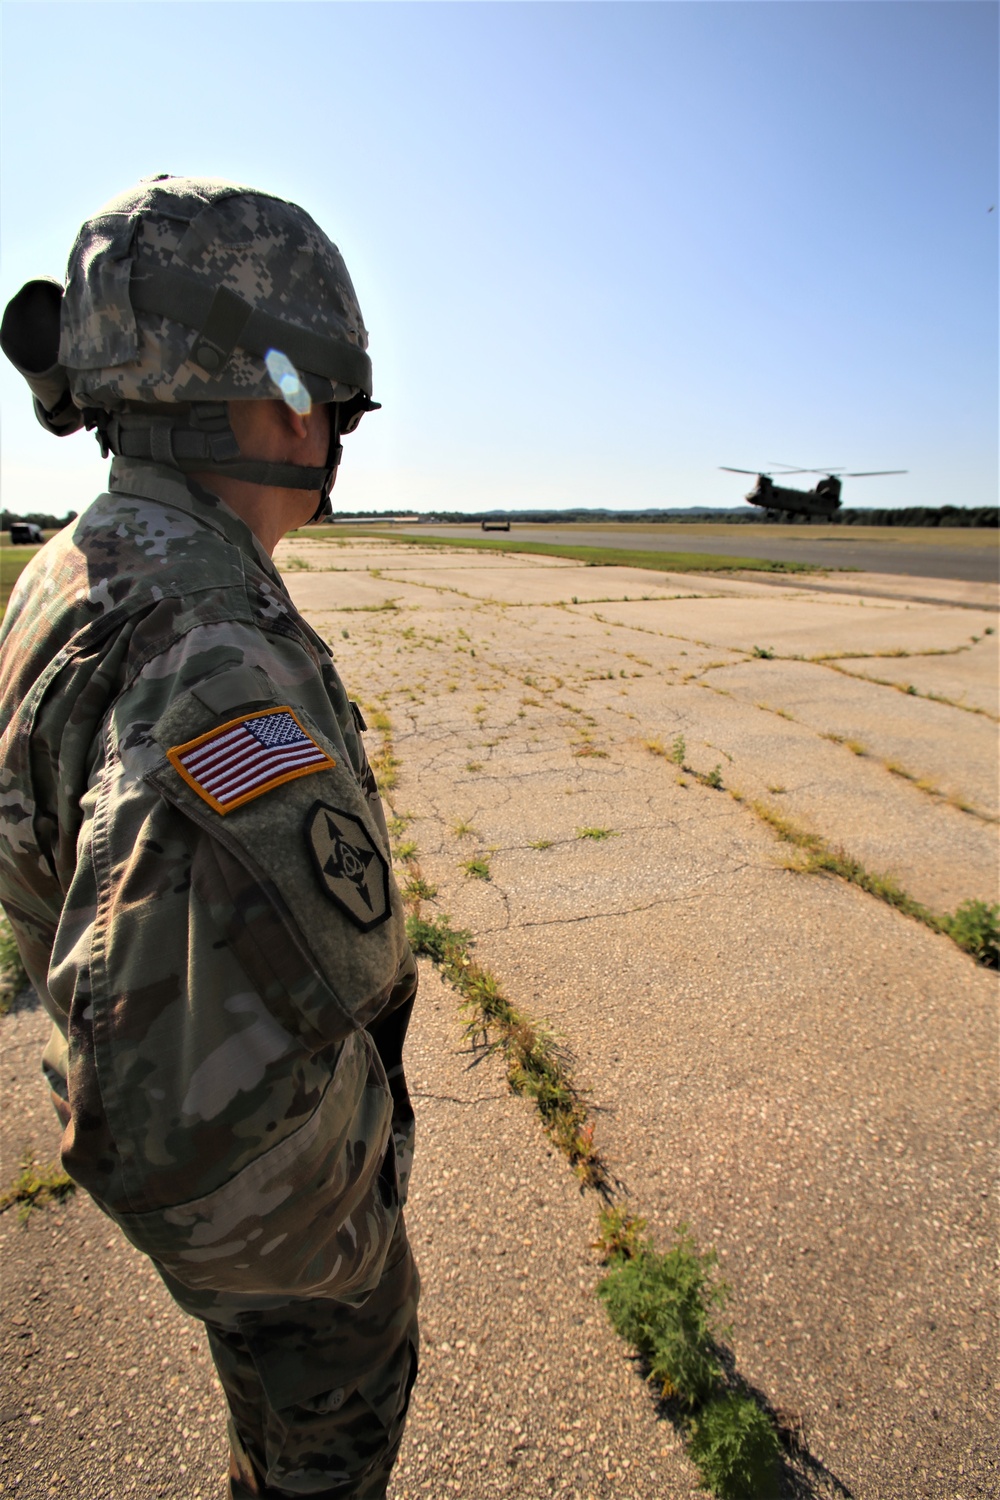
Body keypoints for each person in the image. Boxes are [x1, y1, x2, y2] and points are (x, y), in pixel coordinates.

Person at [0, 175, 418, 1499]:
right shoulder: (209, 647)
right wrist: (353, 1247)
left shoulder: (75, 568)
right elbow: (187, 1135)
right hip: (301, 1276)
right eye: (320, 387)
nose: (330, 424)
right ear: (249, 390)